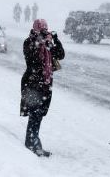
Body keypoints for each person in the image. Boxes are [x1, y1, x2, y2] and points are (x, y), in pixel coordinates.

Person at [20, 19, 65, 157]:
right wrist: (40, 43)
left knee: (39, 114)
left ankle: (33, 141)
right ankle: (32, 143)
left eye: (45, 29)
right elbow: (32, 60)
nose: (44, 31)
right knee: (34, 114)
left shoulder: (48, 43)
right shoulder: (29, 42)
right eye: (41, 29)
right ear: (35, 29)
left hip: (45, 84)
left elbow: (61, 55)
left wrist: (55, 40)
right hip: (32, 84)